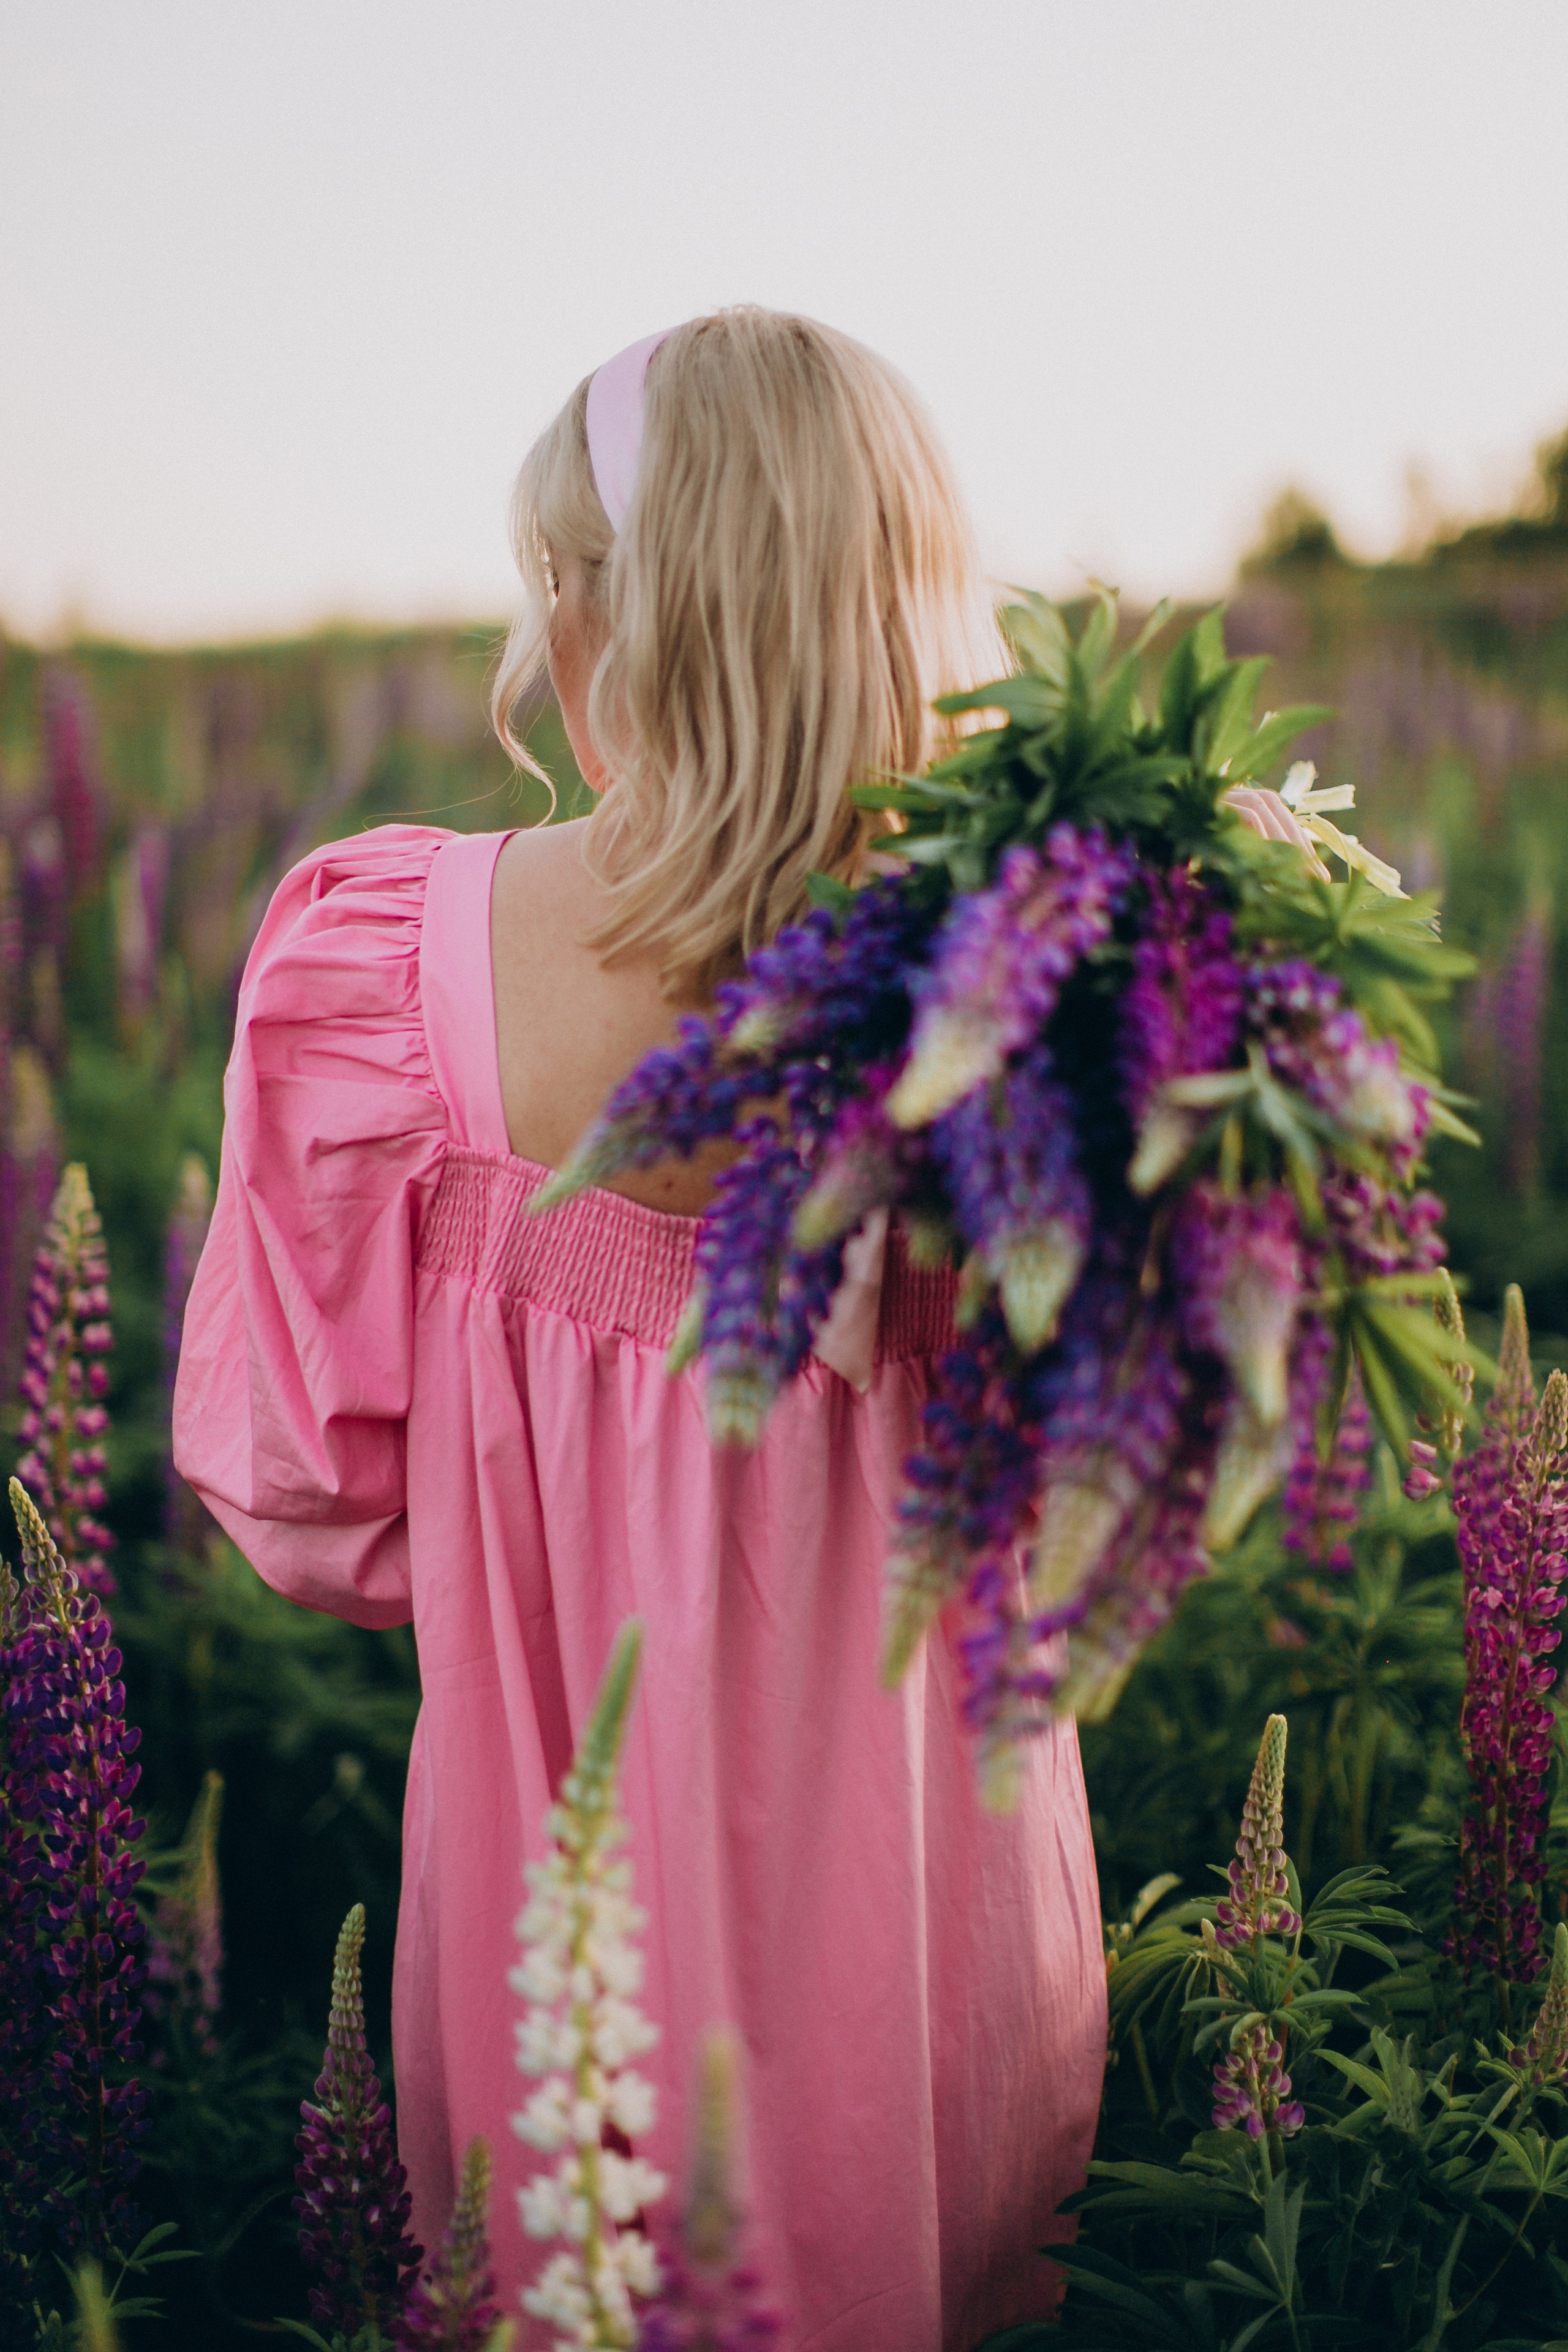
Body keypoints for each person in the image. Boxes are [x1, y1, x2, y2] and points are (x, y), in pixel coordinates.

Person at [173, 307, 1308, 2347]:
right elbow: (1140, 1497)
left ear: (605, 626)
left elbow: (312, 1507)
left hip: (557, 1935)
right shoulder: (1052, 989)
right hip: (940, 1941)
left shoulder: (391, 965)